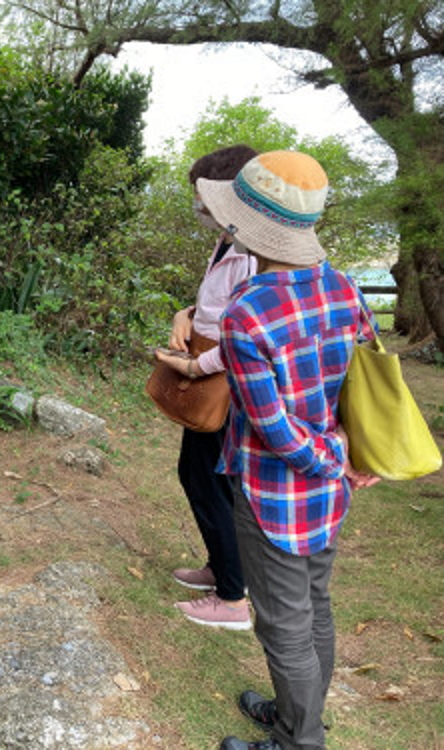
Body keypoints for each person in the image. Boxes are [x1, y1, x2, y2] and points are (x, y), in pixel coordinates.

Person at [195, 151, 380, 750]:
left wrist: (333, 459)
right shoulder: (344, 287)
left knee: (283, 624)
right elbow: (365, 376)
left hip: (273, 492)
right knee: (314, 606)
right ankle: (300, 715)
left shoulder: (248, 312)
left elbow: (272, 429)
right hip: (329, 489)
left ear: (248, 226)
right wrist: (347, 456)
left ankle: (298, 739)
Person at [155, 145, 258, 630]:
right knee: (199, 473)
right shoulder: (228, 242)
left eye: (203, 195)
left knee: (210, 479)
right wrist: (186, 314)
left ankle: (233, 597)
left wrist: (197, 367)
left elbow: (247, 332)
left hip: (226, 380)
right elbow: (218, 307)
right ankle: (221, 567)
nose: (198, 205)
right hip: (209, 369)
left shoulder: (253, 254)